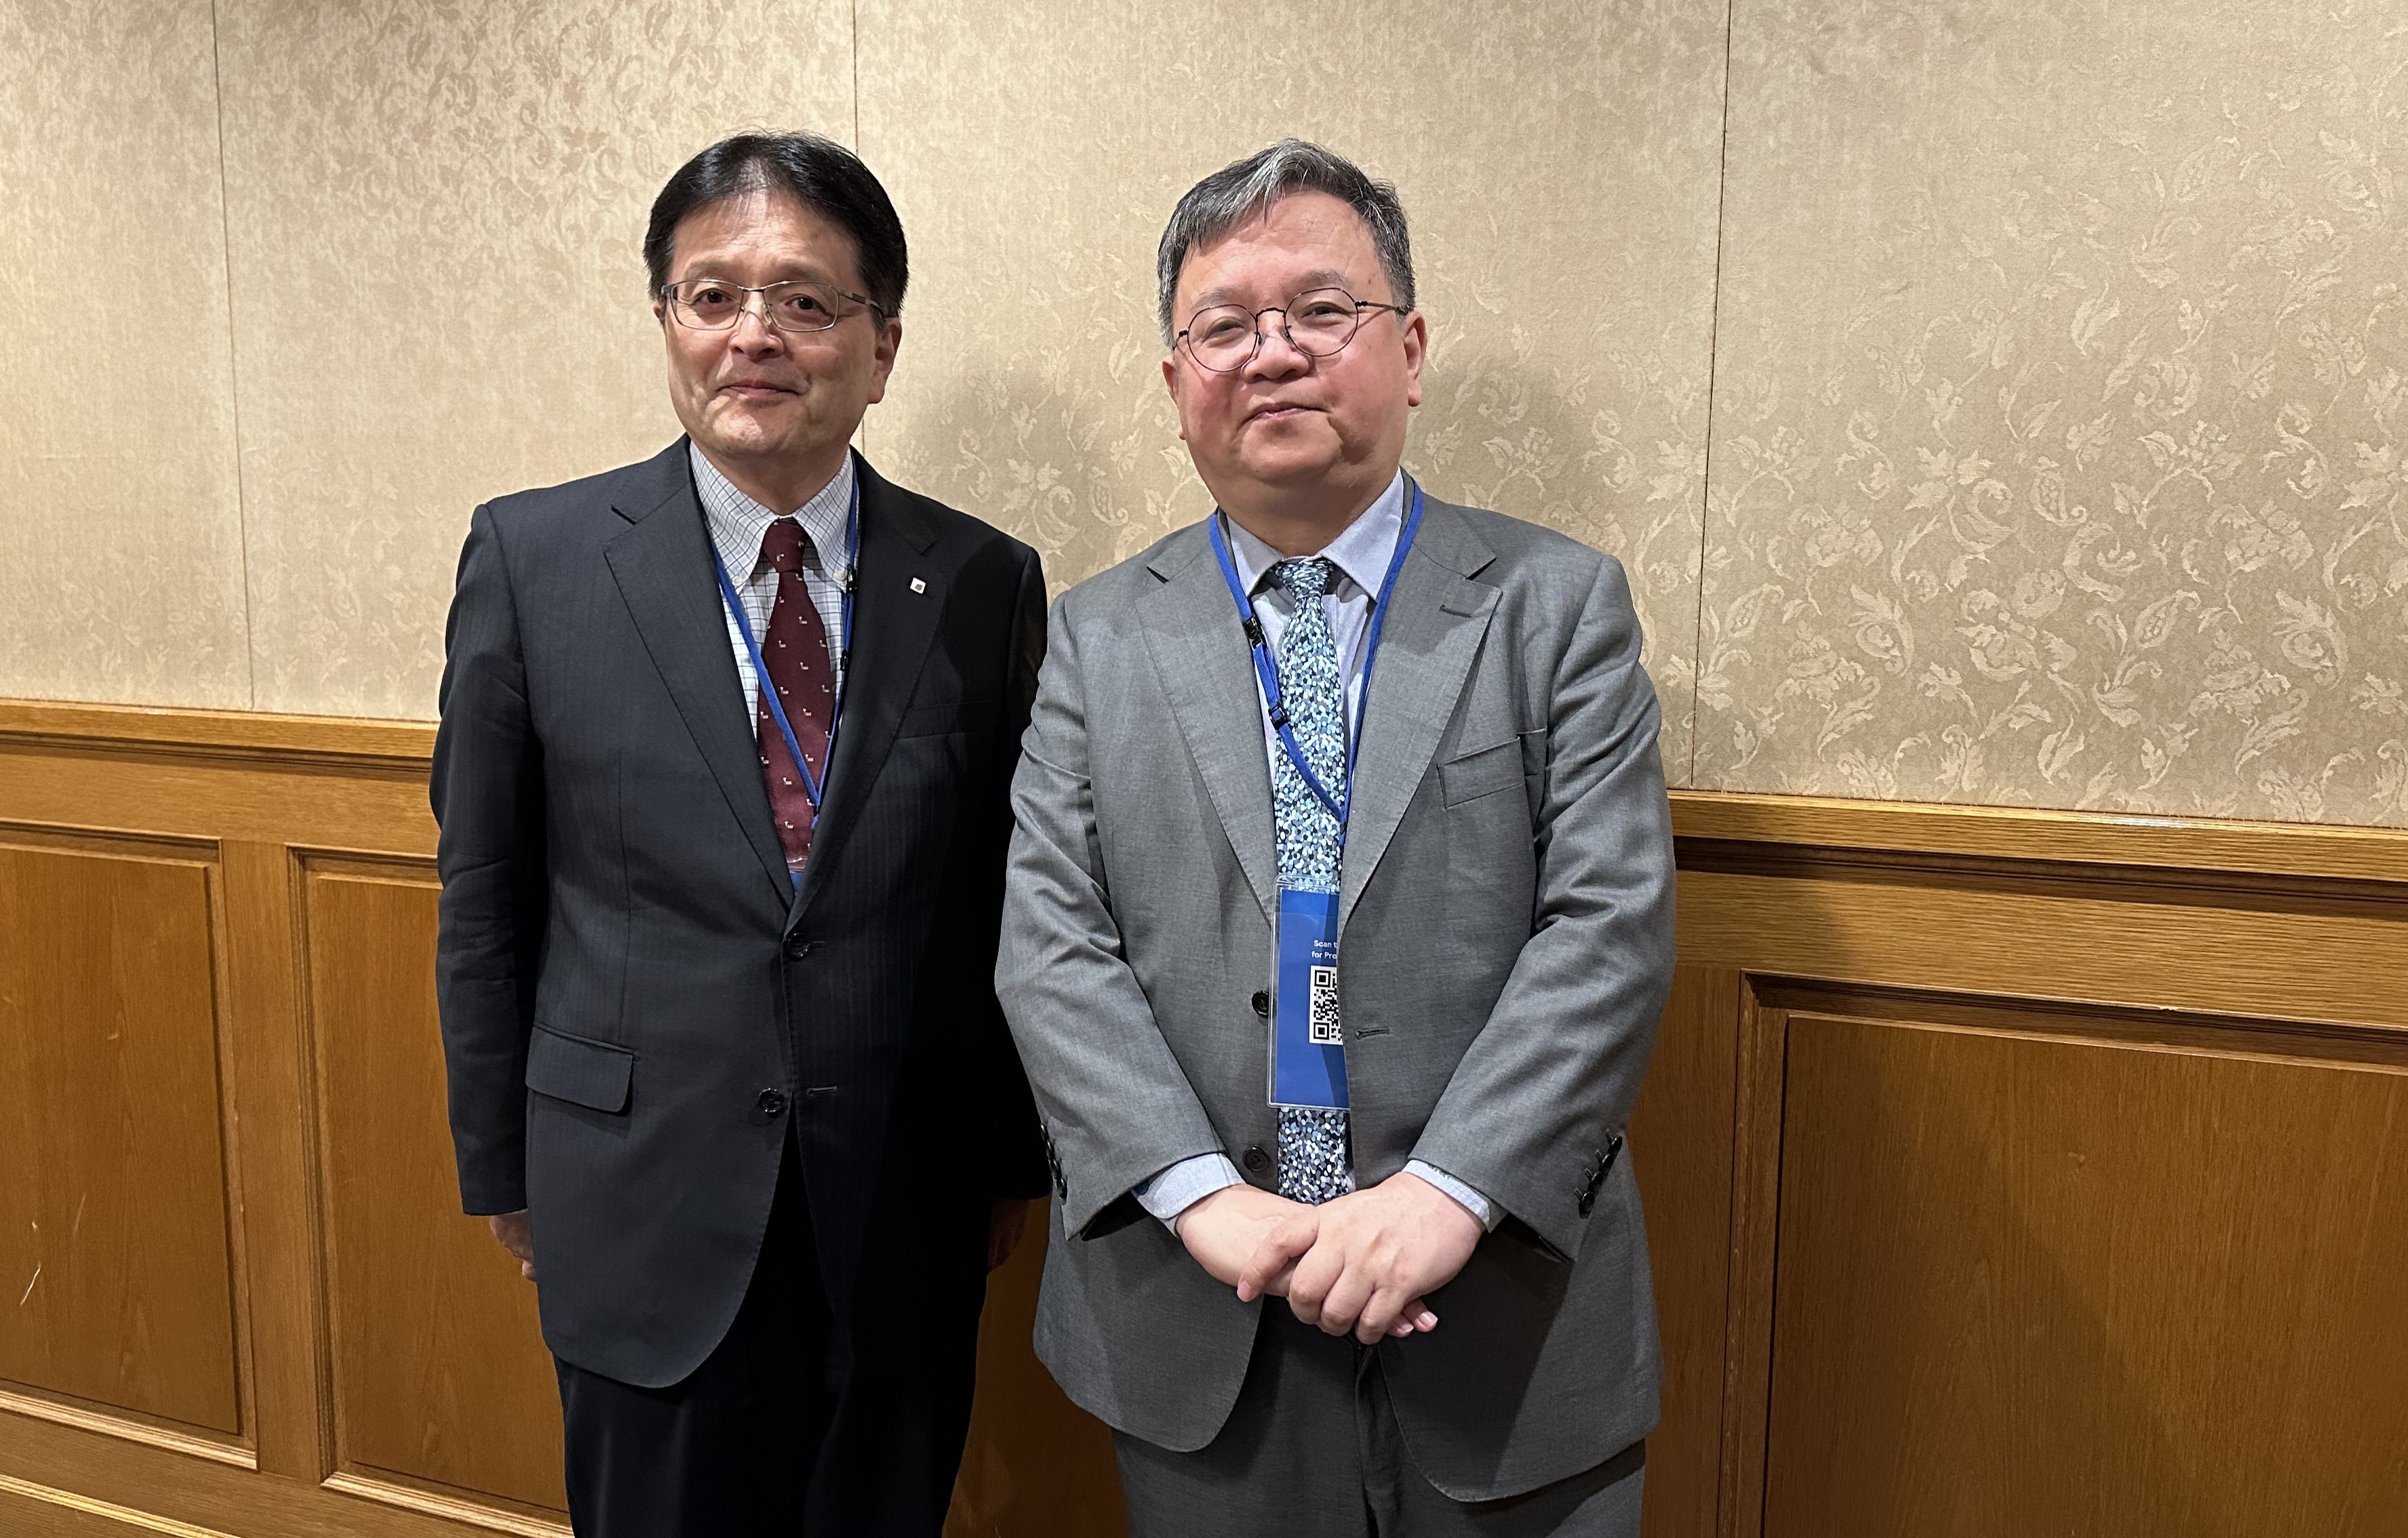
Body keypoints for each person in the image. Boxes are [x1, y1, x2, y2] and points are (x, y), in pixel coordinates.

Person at [997, 139, 1676, 1535]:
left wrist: (1449, 1191)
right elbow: (1050, 947)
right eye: (1225, 325)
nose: (1275, 355)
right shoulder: (1095, 636)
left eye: (1324, 311)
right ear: (1175, 381)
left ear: (1412, 349)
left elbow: (1608, 931)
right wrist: (1202, 1201)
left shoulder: (1556, 610)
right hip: (1202, 1313)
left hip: (1503, 1308)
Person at [432, 132, 1046, 1537]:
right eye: (712, 297)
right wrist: (508, 1169)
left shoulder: (980, 578)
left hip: (900, 1202)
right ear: (667, 326)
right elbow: (484, 893)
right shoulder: (534, 562)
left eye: (807, 302)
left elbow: (1003, 902)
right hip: (637, 1198)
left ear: (881, 346)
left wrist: (1012, 1162)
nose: (754, 336)